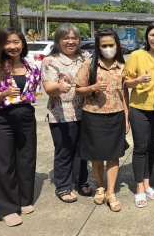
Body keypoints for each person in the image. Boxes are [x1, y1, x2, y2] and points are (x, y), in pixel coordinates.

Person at [75, 28, 130, 212]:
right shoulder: (89, 65)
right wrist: (93, 87)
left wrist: (127, 117)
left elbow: (124, 94)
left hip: (116, 115)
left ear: (117, 46)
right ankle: (100, 186)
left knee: (113, 155)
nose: (108, 48)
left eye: (111, 45)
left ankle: (111, 192)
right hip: (93, 115)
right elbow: (78, 90)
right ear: (98, 47)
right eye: (104, 45)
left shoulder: (122, 66)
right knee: (96, 155)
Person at [0, 27, 41, 227]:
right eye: (7, 42)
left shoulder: (32, 67)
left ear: (23, 44)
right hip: (0, 117)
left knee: (26, 159)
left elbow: (34, 94)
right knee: (3, 162)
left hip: (26, 116)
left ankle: (23, 199)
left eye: (16, 42)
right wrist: (3, 95)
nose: (12, 46)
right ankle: (7, 208)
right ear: (1, 45)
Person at [41, 23, 93, 203]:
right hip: (61, 114)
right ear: (58, 40)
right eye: (66, 38)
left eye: (74, 38)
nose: (71, 41)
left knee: (82, 151)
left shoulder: (85, 57)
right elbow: (49, 88)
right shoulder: (51, 60)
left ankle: (81, 180)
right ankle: (63, 186)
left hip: (85, 111)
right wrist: (59, 87)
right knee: (64, 151)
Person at [124, 21, 154, 208]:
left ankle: (147, 183)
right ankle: (139, 188)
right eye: (152, 35)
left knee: (151, 148)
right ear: (147, 37)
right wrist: (138, 79)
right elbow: (125, 84)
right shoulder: (137, 55)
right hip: (139, 108)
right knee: (140, 148)